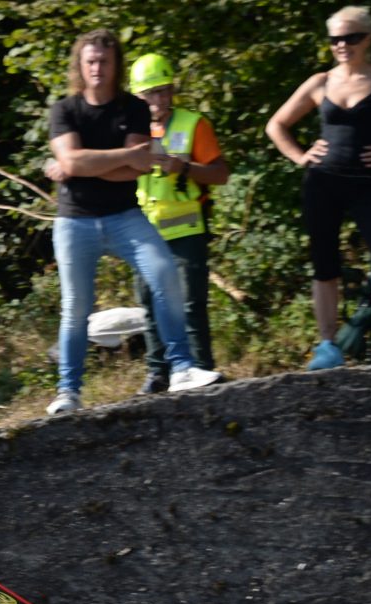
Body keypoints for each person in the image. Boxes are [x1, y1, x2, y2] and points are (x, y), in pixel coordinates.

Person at [42, 30, 220, 415]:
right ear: (79, 65)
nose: (97, 69)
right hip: (75, 220)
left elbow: (136, 167)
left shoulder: (134, 109)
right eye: (90, 61)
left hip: (125, 216)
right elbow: (77, 161)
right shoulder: (64, 111)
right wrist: (111, 158)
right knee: (77, 306)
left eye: (104, 61)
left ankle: (182, 368)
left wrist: (84, 163)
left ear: (116, 65)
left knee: (165, 274)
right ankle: (68, 391)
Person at [265, 5, 371, 368]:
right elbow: (276, 125)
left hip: (368, 182)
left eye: (351, 37)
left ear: (368, 39)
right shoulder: (320, 82)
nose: (342, 45)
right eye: (335, 39)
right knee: (324, 264)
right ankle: (328, 347)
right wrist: (300, 156)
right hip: (323, 182)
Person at [128, 53, 232, 394]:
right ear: (136, 97)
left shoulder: (193, 124)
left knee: (190, 302)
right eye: (149, 94)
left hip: (187, 228)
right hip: (144, 230)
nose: (158, 100)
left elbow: (221, 173)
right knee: (149, 302)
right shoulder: (129, 132)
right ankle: (158, 373)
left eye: (163, 91)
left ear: (172, 91)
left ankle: (201, 368)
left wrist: (184, 167)